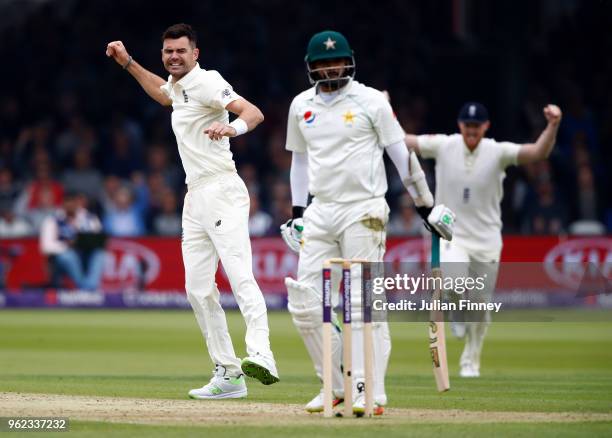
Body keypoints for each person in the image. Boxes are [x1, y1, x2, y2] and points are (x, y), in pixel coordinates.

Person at [281, 30, 455, 415]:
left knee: (359, 301)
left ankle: (367, 388)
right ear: (311, 67)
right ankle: (337, 384)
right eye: (323, 62)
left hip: (365, 209)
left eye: (337, 60)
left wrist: (425, 205)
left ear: (349, 61)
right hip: (321, 211)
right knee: (305, 301)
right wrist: (297, 213)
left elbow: (401, 156)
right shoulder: (300, 105)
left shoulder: (371, 100)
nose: (331, 68)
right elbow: (300, 160)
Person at [106, 23, 278, 400]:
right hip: (195, 196)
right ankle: (229, 374)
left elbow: (254, 112)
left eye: (181, 51)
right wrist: (128, 63)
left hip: (222, 187)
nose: (173, 57)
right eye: (168, 51)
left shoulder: (207, 81)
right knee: (197, 290)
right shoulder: (179, 88)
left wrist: (232, 130)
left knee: (238, 273)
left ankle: (262, 354)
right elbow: (163, 95)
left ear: (195, 54)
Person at [405, 101, 562, 377]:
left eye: (477, 126)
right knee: (452, 283)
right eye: (468, 125)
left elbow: (538, 152)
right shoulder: (444, 145)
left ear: (486, 127)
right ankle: (455, 311)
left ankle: (470, 361)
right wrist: (385, 110)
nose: (472, 130)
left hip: (487, 239)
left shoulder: (497, 151)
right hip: (451, 233)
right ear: (460, 125)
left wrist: (553, 124)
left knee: (479, 303)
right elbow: (404, 141)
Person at [39, 191, 106, 290]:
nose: (70, 205)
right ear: (62, 203)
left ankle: (89, 287)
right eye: (67, 202)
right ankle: (86, 290)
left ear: (77, 203)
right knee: (69, 256)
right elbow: (46, 247)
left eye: (73, 202)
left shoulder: (90, 218)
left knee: (100, 255)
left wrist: (83, 243)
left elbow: (99, 239)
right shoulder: (52, 220)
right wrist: (67, 245)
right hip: (62, 260)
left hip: (85, 255)